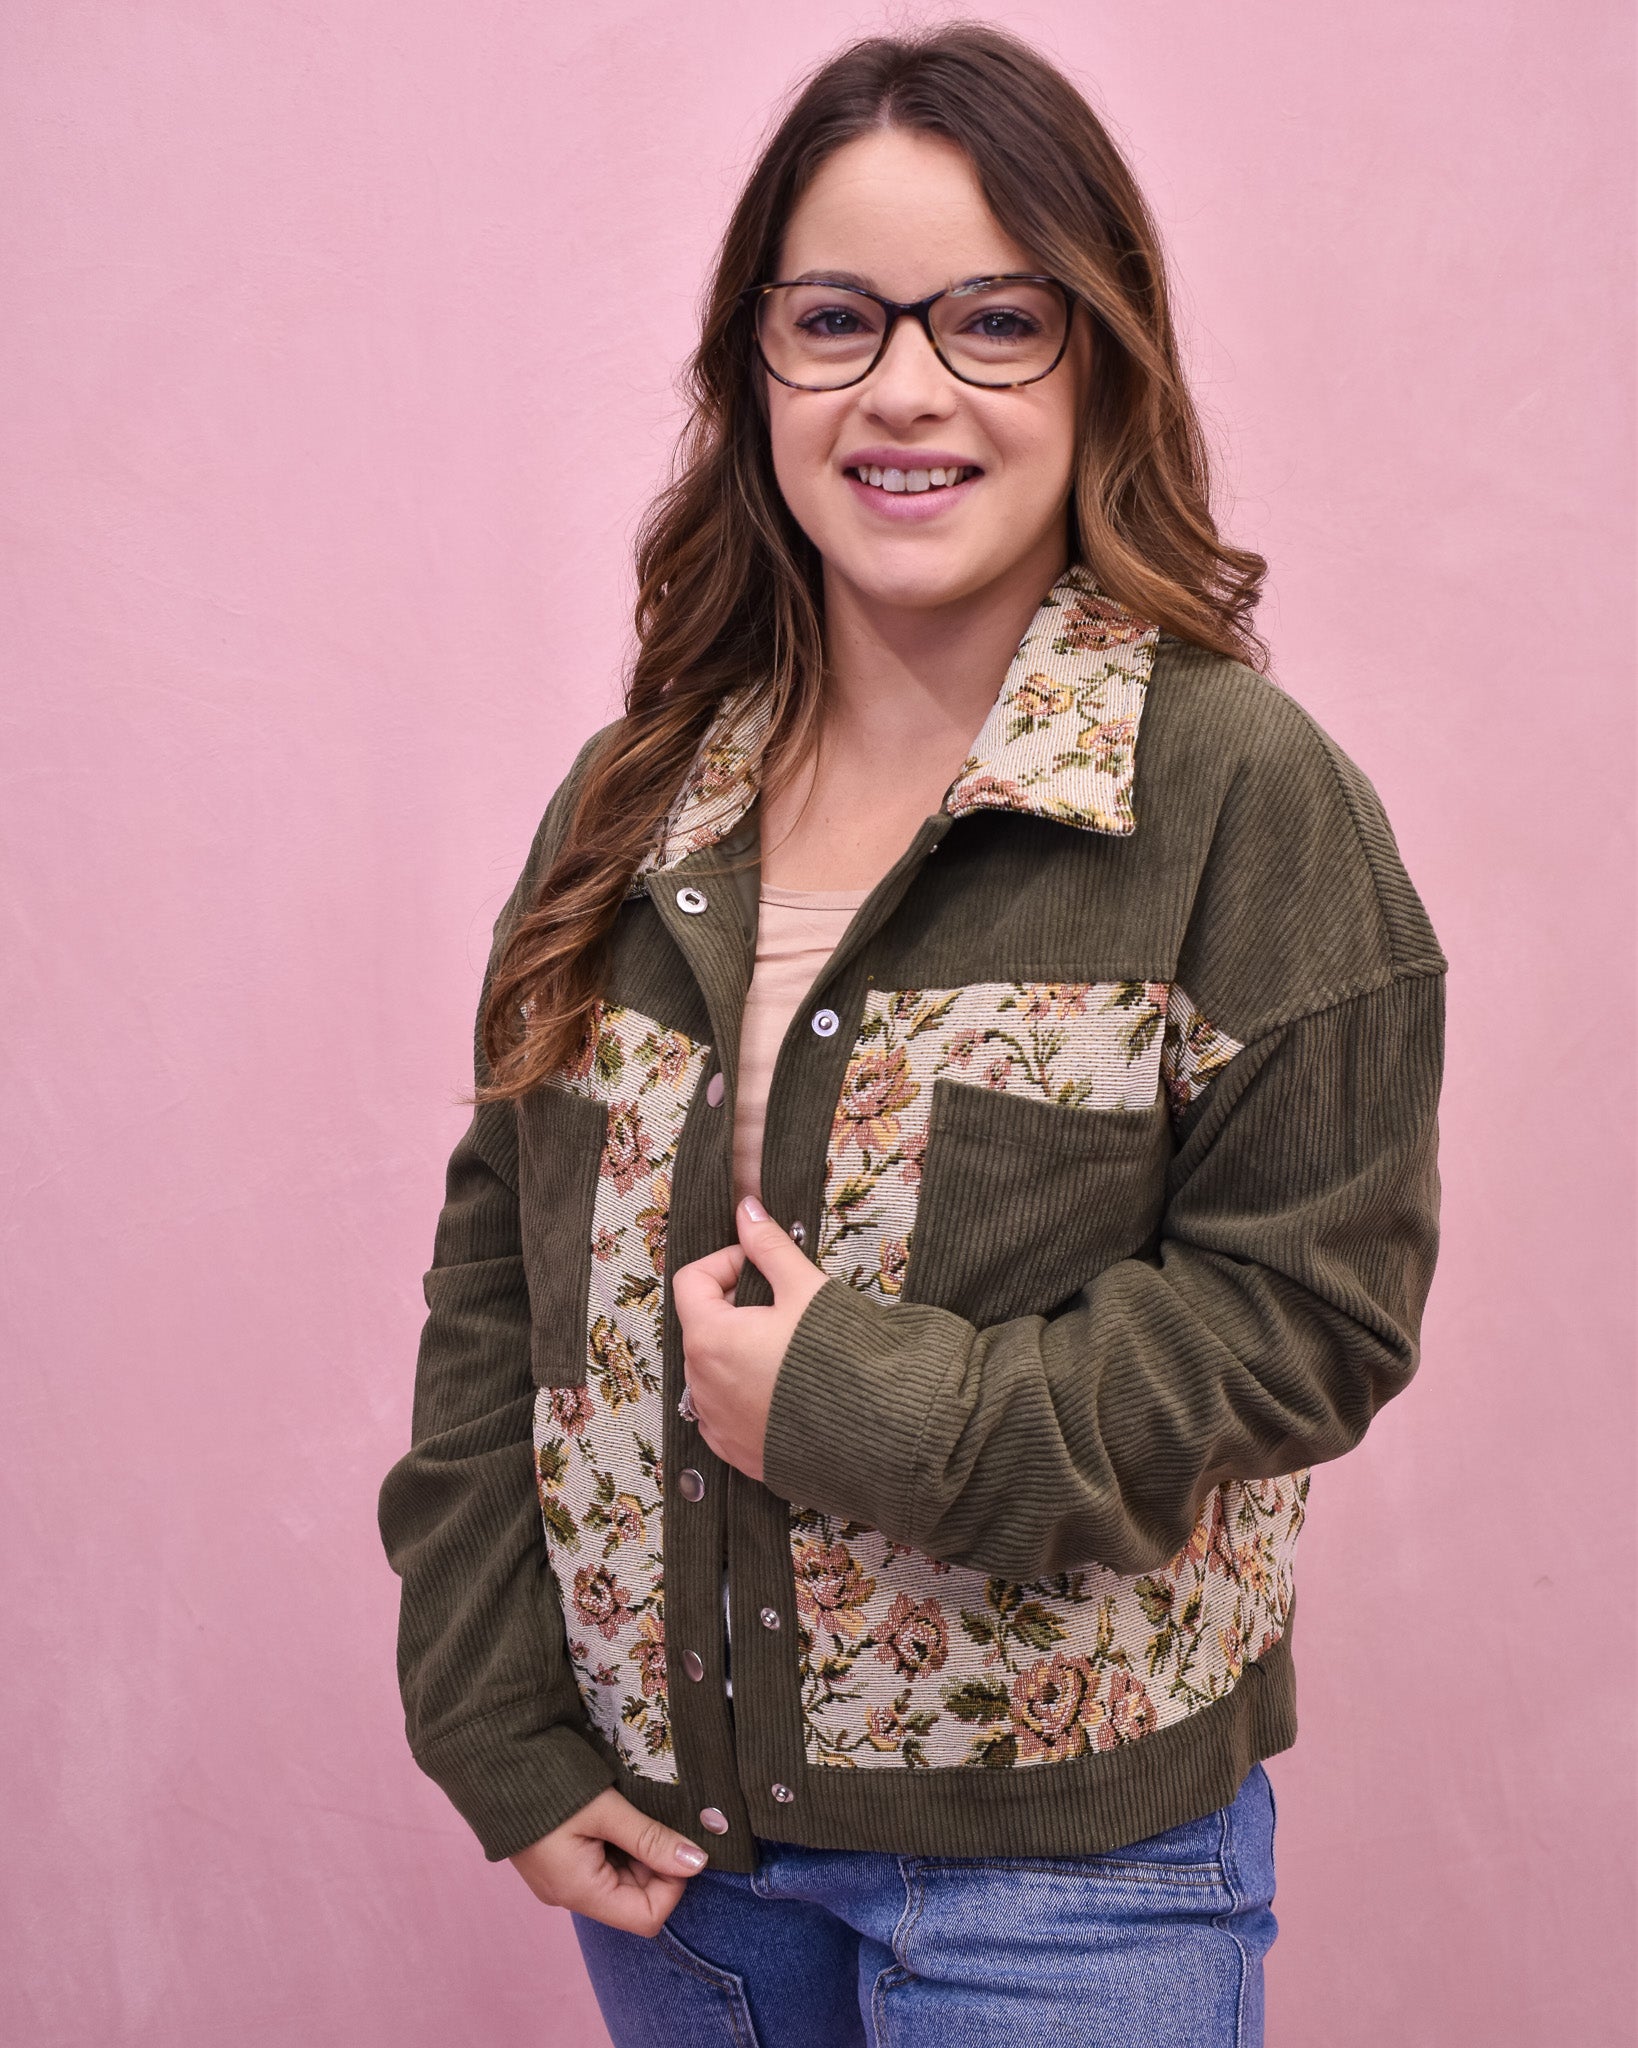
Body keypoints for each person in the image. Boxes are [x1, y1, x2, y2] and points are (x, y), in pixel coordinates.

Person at [377, 24, 1445, 2046]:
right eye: (839, 319)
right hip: (681, 1874)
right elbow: (494, 1277)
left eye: (995, 322)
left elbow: (1314, 1319)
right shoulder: (637, 796)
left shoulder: (1239, 795)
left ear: (1099, 361)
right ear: (753, 367)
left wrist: (871, 1403)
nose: (907, 389)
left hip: (1069, 1891)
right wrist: (492, 1707)